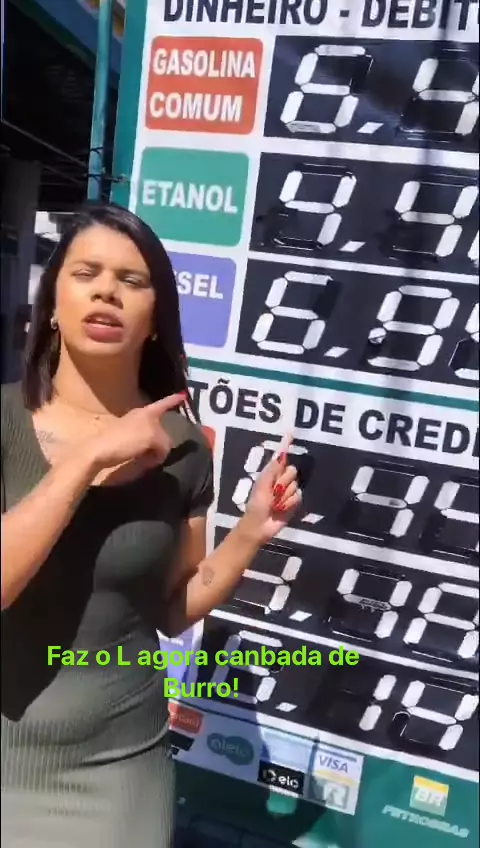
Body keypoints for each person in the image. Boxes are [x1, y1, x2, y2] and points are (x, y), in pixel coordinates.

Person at [0, 203, 301, 848]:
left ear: (156, 319)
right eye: (86, 273)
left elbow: (170, 610)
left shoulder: (185, 449)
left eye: (131, 280)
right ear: (52, 304)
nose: (106, 290)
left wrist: (252, 530)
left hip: (122, 768)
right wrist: (88, 460)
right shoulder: (2, 422)